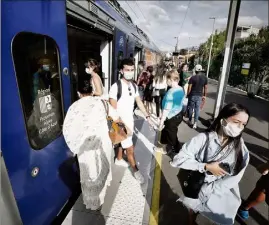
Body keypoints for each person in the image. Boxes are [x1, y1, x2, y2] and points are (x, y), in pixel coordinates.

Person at [170, 103, 250, 225]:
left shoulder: (240, 147)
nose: (239, 127)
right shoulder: (203, 138)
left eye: (243, 124)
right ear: (223, 120)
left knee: (219, 217)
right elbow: (178, 159)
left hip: (220, 192)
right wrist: (205, 166)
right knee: (193, 209)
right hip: (197, 185)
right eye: (236, 122)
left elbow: (235, 176)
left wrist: (209, 190)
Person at [63, 74, 119, 210]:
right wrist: (114, 137)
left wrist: (75, 147)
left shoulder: (74, 108)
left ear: (78, 93)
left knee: (89, 175)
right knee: (103, 171)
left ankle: (92, 204)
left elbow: (67, 130)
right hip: (103, 146)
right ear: (92, 91)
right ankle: (102, 197)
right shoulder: (103, 103)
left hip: (86, 150)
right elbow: (115, 120)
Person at [109, 58, 154, 184]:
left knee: (121, 143)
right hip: (120, 123)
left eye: (132, 70)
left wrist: (147, 116)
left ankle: (118, 159)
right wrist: (123, 126)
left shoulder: (134, 86)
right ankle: (135, 170)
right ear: (121, 71)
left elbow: (138, 102)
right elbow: (112, 111)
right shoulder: (115, 87)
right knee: (130, 148)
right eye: (127, 70)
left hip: (129, 121)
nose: (130, 72)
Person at [157, 69, 185, 154]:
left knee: (170, 135)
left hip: (171, 117)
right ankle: (176, 148)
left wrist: (161, 121)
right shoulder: (181, 89)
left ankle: (170, 150)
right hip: (179, 114)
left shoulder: (170, 92)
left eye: (167, 80)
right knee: (171, 133)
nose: (166, 82)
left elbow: (167, 109)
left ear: (171, 80)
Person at [187, 64, 208, 129]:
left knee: (190, 108)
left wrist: (187, 94)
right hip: (199, 96)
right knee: (197, 109)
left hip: (192, 95)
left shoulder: (192, 78)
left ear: (195, 70)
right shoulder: (205, 78)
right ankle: (195, 123)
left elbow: (189, 88)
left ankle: (190, 120)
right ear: (201, 70)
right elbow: (206, 87)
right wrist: (204, 96)